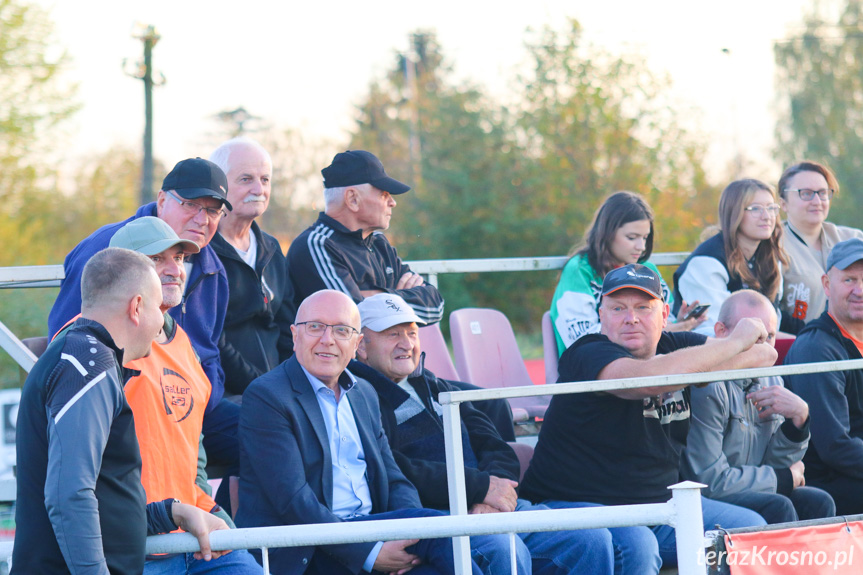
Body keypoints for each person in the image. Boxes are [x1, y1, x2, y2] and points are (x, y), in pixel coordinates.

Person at [521, 264, 772, 570]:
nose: (631, 318)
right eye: (618, 308)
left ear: (665, 314)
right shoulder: (587, 353)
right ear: (601, 315)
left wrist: (704, 366)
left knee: (750, 529)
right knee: (638, 545)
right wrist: (732, 344)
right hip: (576, 505)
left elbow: (765, 354)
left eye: (643, 307)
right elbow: (645, 380)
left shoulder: (673, 347)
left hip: (656, 507)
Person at [351, 293, 616, 575]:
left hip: (483, 507)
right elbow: (395, 470)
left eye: (412, 333)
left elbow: (495, 444)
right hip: (438, 515)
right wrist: (479, 488)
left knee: (590, 538)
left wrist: (493, 492)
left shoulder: (437, 386)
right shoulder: (359, 397)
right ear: (362, 347)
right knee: (502, 549)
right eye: (393, 334)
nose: (407, 344)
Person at [14, 248, 229, 575]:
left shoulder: (88, 358)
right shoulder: (89, 364)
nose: (161, 321)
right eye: (159, 308)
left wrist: (170, 512)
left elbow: (105, 496)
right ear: (137, 307)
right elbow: (69, 497)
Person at [236, 290, 482, 575]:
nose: (327, 340)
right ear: (294, 335)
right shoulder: (268, 396)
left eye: (342, 331)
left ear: (356, 344)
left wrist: (407, 538)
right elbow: (293, 500)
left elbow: (395, 480)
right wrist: (369, 553)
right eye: (315, 327)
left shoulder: (364, 393)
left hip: (370, 532)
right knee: (441, 531)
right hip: (308, 549)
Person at [47, 157, 241, 511]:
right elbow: (68, 336)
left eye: (213, 211)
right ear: (163, 199)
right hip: (126, 401)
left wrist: (197, 396)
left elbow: (209, 352)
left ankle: (253, 538)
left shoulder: (214, 267)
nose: (202, 218)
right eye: (191, 205)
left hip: (193, 402)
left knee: (271, 429)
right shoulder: (109, 250)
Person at [288, 150, 514, 441]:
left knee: (493, 404)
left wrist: (383, 297)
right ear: (353, 199)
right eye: (383, 193)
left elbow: (435, 305)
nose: (392, 201)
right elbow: (355, 317)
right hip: (358, 381)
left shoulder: (379, 244)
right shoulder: (315, 245)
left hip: (403, 372)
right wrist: (399, 294)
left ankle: (505, 485)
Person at [109, 218, 262, 573]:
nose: (174, 269)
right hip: (135, 545)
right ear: (120, 272)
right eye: (157, 260)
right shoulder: (93, 344)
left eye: (178, 258)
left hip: (195, 538)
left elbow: (193, 451)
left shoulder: (183, 344)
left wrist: (212, 511)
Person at [680, 289, 835, 524]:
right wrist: (783, 478)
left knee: (818, 502)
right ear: (722, 332)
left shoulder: (772, 379)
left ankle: (816, 562)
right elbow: (710, 481)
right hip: (709, 497)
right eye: (753, 335)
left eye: (770, 336)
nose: (763, 348)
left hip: (747, 485)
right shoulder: (706, 386)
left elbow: (773, 466)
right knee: (779, 506)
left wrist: (797, 424)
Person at [551, 191, 705, 355]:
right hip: (596, 364)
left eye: (645, 238)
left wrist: (679, 321)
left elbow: (666, 323)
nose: (641, 246)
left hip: (651, 361)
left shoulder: (648, 269)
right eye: (632, 237)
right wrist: (670, 330)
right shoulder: (579, 271)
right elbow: (580, 338)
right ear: (607, 234)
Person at [209, 137, 295, 399]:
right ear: (219, 186)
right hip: (226, 395)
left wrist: (288, 381)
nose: (259, 188)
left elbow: (289, 325)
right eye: (246, 179)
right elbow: (212, 338)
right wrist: (262, 386)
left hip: (279, 388)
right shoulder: (202, 252)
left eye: (265, 179)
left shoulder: (271, 249)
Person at [785, 238, 863, 515]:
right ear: (827, 285)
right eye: (849, 280)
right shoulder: (817, 349)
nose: (860, 290)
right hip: (828, 482)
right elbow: (835, 447)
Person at [673, 178, 789, 335]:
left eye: (771, 208)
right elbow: (714, 331)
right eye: (755, 209)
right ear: (734, 213)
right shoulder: (706, 263)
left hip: (760, 348)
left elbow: (774, 323)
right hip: (710, 353)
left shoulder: (770, 259)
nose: (767, 216)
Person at [777, 161, 863, 334]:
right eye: (806, 193)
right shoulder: (773, 247)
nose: (817, 201)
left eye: (823, 193)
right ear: (783, 203)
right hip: (800, 348)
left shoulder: (853, 239)